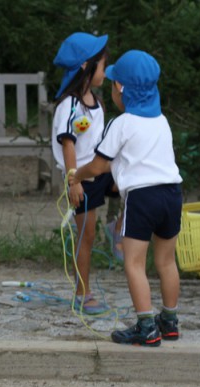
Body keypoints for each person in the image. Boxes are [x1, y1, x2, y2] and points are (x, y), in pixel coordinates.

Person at [70, 50, 182, 346]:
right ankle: (170, 321)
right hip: (172, 194)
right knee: (166, 261)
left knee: (134, 262)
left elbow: (98, 166)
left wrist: (76, 176)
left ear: (120, 87)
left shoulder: (121, 124)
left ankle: (146, 327)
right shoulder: (162, 121)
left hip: (143, 198)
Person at [52, 32, 114, 316]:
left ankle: (119, 233)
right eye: (103, 66)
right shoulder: (70, 105)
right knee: (86, 236)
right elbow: (68, 144)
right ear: (87, 66)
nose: (105, 72)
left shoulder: (97, 103)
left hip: (100, 174)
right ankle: (82, 293)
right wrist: (73, 181)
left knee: (135, 188)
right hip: (82, 182)